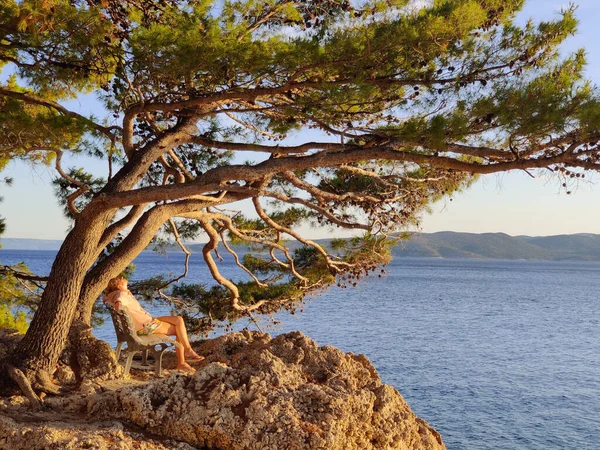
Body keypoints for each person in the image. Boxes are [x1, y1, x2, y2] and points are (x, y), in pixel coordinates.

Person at [103, 276, 203, 372]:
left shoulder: (114, 295)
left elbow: (109, 298)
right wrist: (118, 303)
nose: (122, 278)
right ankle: (185, 357)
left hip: (145, 322)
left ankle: (186, 355)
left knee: (179, 319)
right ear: (119, 286)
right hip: (146, 326)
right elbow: (120, 301)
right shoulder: (121, 294)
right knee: (179, 329)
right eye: (119, 279)